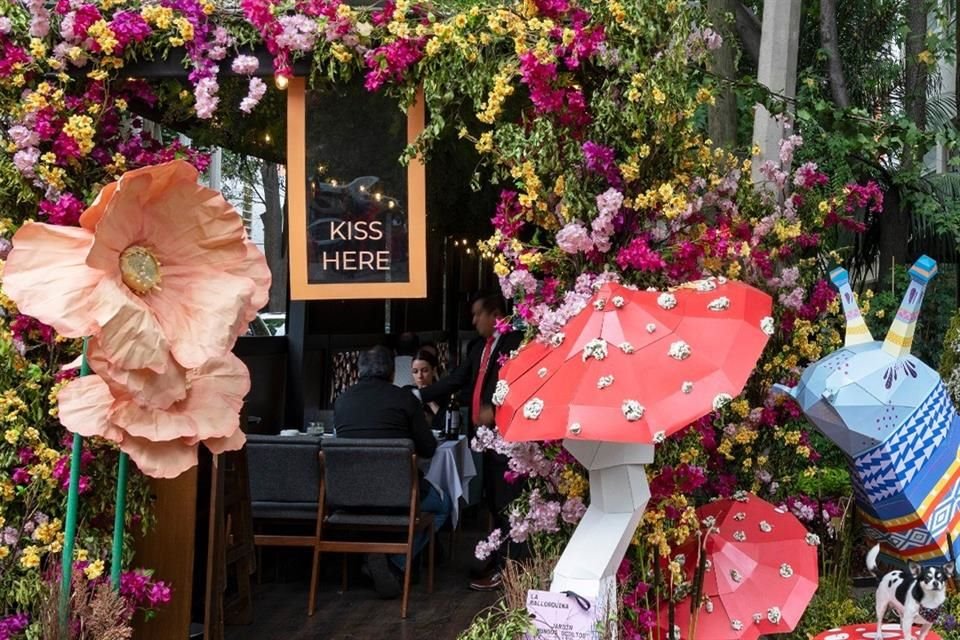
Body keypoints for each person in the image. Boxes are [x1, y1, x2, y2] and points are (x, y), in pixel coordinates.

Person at [415, 291, 524, 591]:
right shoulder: (478, 347)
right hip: (485, 439)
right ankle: (501, 563)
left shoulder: (516, 343)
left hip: (509, 438)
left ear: (495, 315)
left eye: (478, 314)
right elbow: (457, 379)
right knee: (494, 501)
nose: (474, 320)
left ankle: (510, 571)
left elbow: (524, 383)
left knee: (509, 503)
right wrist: (418, 396)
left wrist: (499, 410)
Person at [334, 345, 452, 599]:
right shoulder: (404, 400)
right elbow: (429, 448)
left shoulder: (342, 401)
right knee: (444, 505)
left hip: (347, 498)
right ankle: (395, 562)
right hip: (398, 497)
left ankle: (376, 558)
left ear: (358, 371)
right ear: (391, 373)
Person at [410, 348, 444, 431]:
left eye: (424, 371)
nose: (419, 376)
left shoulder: (443, 394)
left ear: (433, 371)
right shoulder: (408, 392)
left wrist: (430, 402)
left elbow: (447, 423)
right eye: (415, 371)